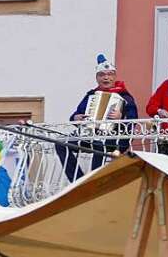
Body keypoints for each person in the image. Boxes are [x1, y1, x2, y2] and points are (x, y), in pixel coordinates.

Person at [56, 54, 139, 183]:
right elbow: (76, 115)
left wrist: (121, 117)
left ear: (114, 77)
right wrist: (76, 117)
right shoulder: (91, 95)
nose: (106, 78)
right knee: (61, 143)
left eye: (110, 74)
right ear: (97, 78)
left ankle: (95, 181)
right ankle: (78, 180)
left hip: (114, 138)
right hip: (90, 135)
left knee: (99, 145)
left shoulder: (125, 97)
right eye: (102, 75)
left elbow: (133, 121)